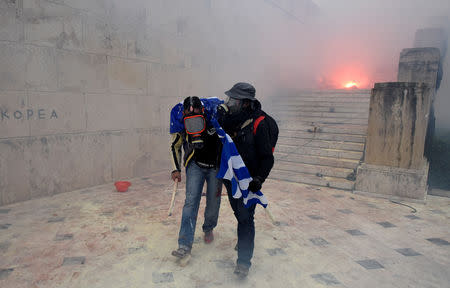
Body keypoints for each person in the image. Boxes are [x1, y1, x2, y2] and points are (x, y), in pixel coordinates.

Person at [217, 82, 276, 278]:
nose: (229, 103)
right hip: (232, 179)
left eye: (233, 100)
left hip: (249, 180)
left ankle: (243, 261)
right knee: (240, 214)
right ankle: (243, 238)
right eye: (229, 99)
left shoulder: (260, 123)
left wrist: (259, 178)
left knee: (245, 218)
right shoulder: (229, 119)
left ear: (245, 103)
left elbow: (268, 157)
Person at [170, 96, 222, 260]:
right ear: (184, 112)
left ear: (202, 110)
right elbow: (175, 146)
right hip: (195, 166)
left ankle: (208, 228)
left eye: (196, 110)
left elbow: (228, 140)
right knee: (191, 202)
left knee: (214, 202)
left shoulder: (214, 119)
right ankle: (184, 244)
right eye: (188, 111)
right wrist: (176, 169)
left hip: (215, 167)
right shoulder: (182, 122)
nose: (192, 113)